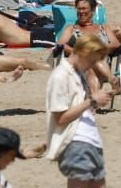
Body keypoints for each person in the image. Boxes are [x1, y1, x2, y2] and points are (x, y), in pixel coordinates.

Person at [46, 35, 109, 187]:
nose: (92, 66)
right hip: (75, 142)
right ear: (83, 54)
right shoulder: (60, 76)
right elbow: (60, 118)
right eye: (92, 61)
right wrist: (92, 101)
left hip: (91, 141)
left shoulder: (78, 73)